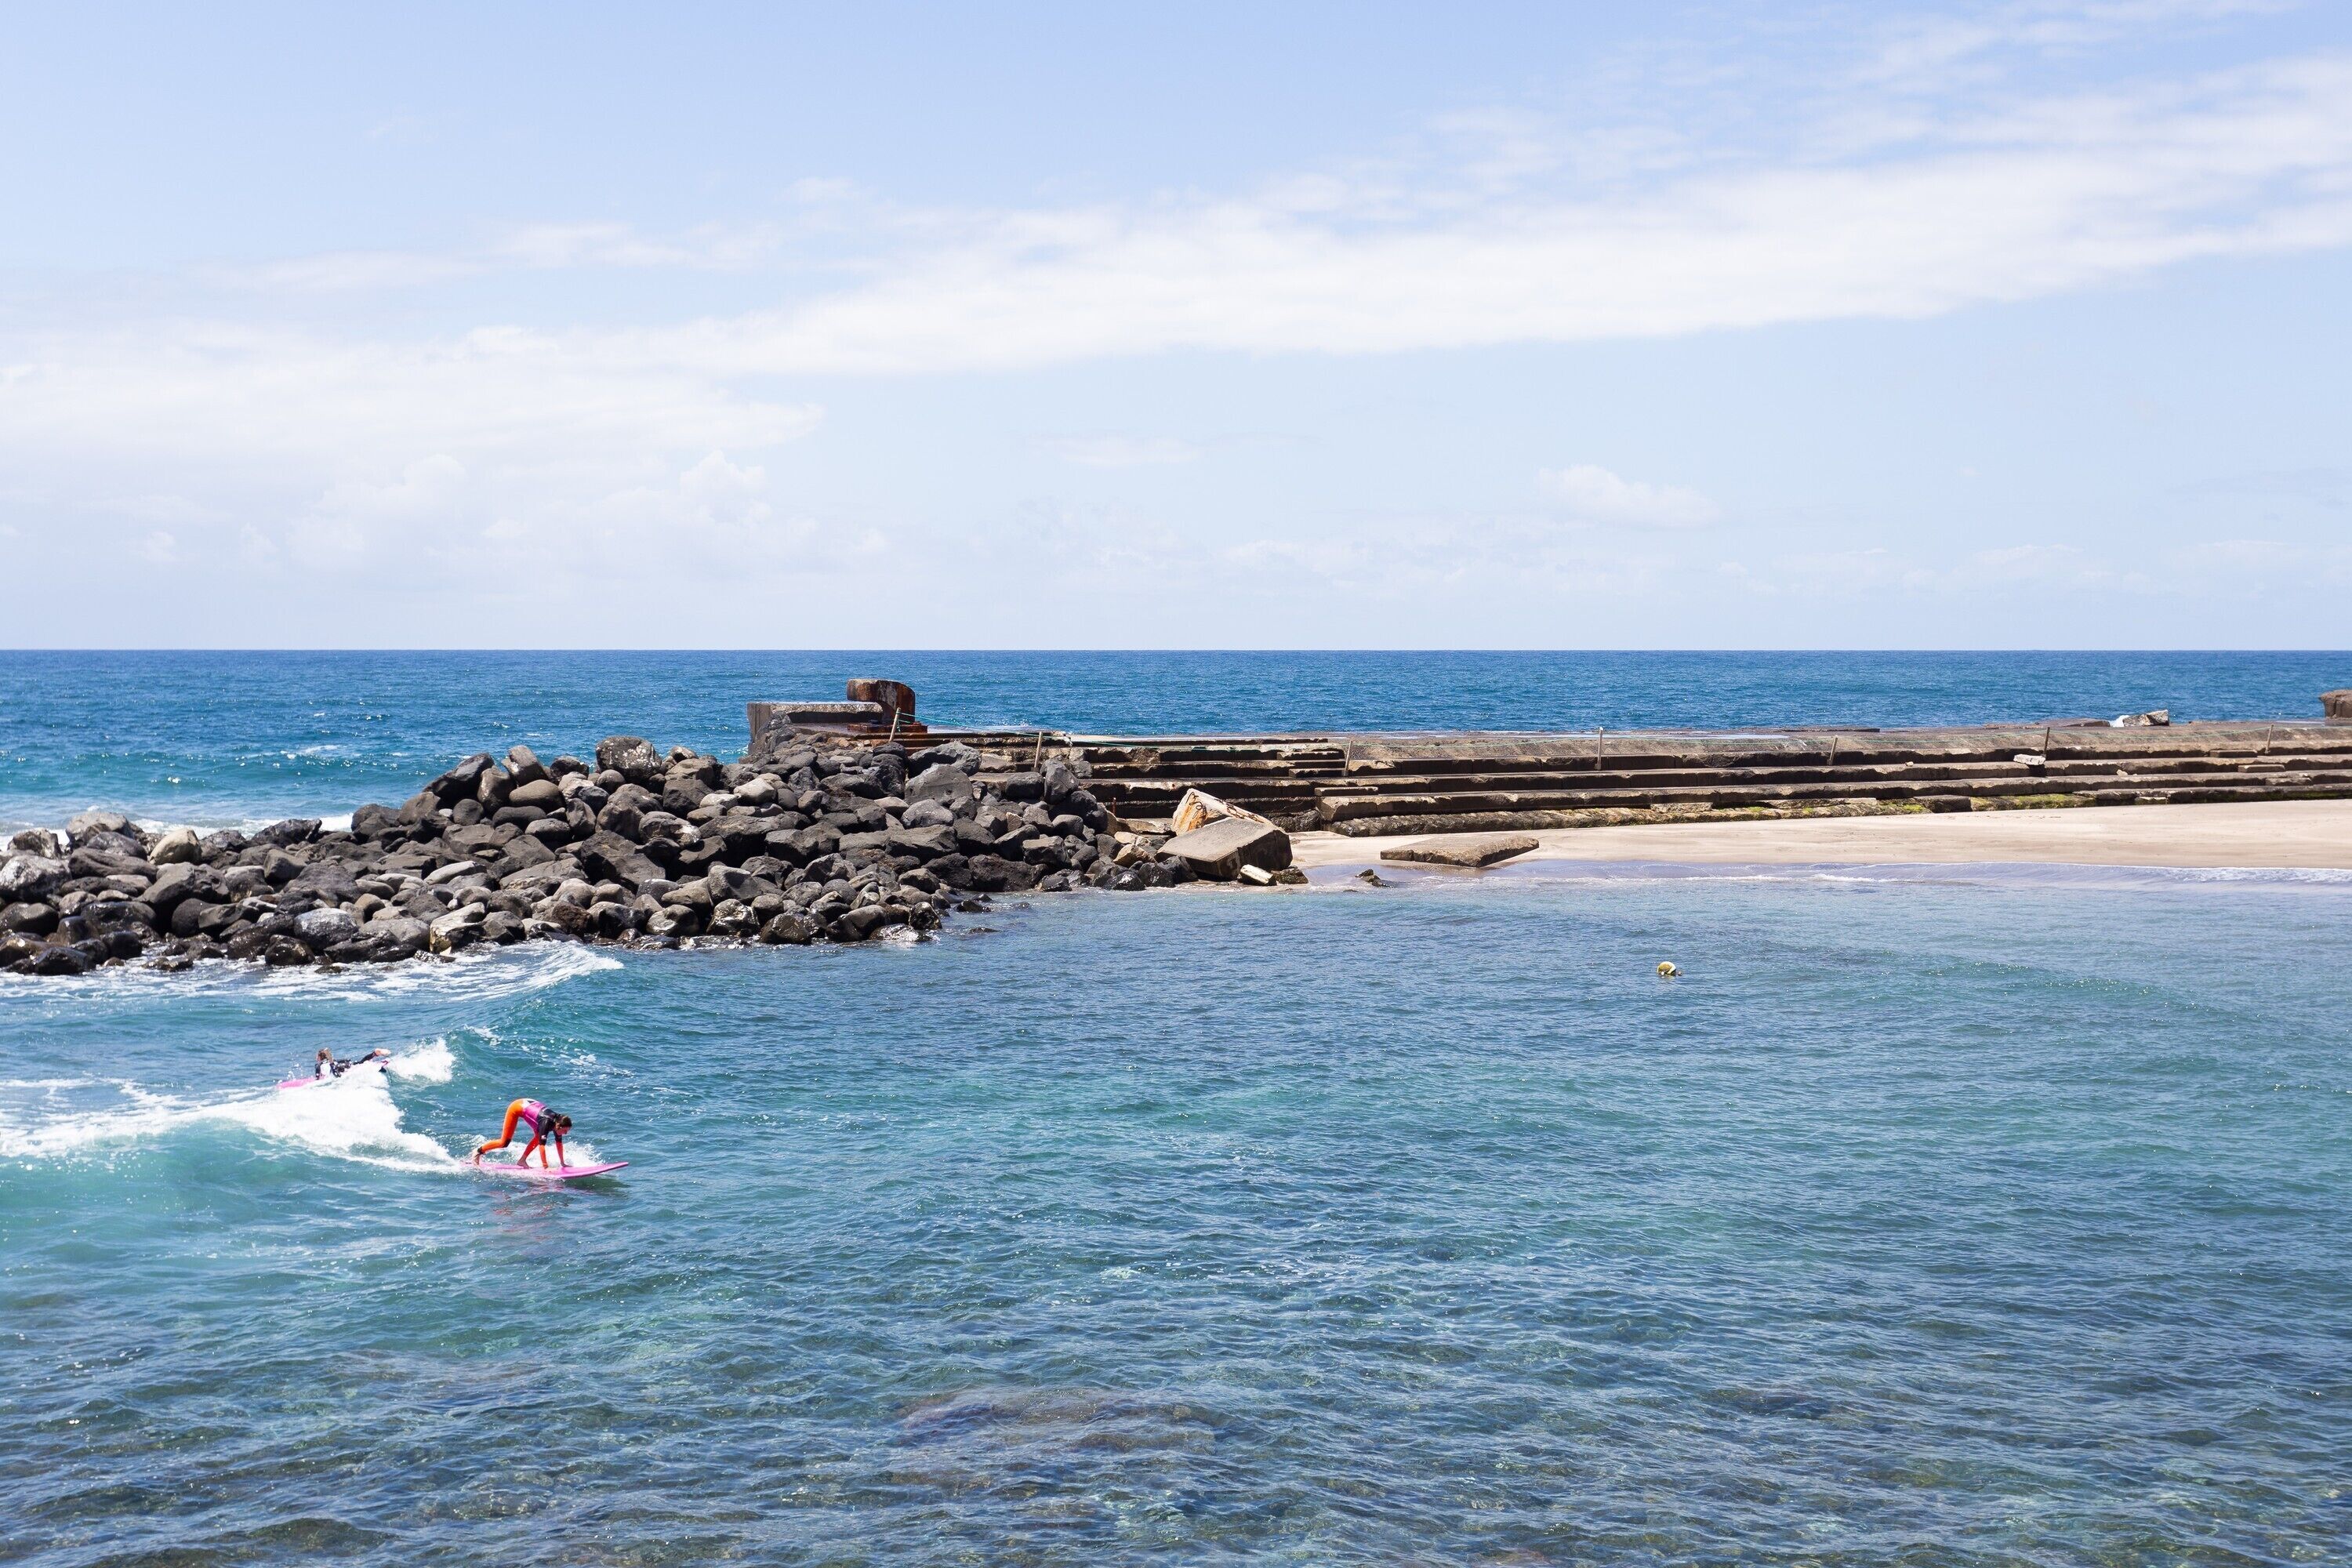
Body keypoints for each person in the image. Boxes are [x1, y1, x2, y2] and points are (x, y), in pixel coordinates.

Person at [474, 1099, 573, 1168]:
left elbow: (559, 1144)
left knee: (538, 1137)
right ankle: (478, 1151)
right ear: (558, 1126)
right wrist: (546, 1167)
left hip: (529, 1104)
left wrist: (562, 1163)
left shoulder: (558, 1122)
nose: (566, 1133)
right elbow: (542, 1146)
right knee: (504, 1142)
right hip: (516, 1107)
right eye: (565, 1131)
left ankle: (522, 1160)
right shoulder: (546, 1123)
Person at [313, 1047, 390, 1080]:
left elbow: (317, 1078)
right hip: (342, 1065)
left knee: (338, 1076)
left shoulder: (318, 1065)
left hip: (335, 1069)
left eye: (317, 1056)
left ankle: (331, 1061)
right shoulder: (334, 1060)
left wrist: (317, 1079)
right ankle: (374, 1054)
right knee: (360, 1063)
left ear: (319, 1057)